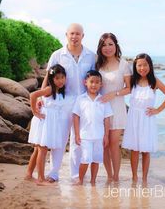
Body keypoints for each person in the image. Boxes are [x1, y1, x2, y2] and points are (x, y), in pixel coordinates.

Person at [41, 23, 95, 182]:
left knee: (78, 140)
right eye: (72, 33)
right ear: (66, 35)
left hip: (84, 103)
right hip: (63, 101)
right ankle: (53, 173)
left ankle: (76, 175)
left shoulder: (91, 56)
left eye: (78, 34)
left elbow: (94, 79)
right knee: (60, 138)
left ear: (83, 36)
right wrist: (41, 97)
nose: (75, 36)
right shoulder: (57, 55)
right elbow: (48, 78)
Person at [122, 53, 165, 186]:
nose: (142, 68)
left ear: (150, 66)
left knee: (145, 150)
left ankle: (144, 179)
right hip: (133, 118)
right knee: (134, 150)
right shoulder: (132, 80)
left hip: (147, 118)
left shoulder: (154, 82)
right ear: (135, 66)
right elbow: (120, 89)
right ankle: (134, 178)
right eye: (139, 65)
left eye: (145, 65)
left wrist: (158, 110)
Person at [96, 33, 132, 182]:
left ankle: (116, 176)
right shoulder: (98, 64)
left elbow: (129, 88)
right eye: (104, 45)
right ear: (100, 48)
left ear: (116, 45)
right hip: (100, 107)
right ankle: (109, 176)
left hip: (117, 107)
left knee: (113, 144)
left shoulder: (123, 64)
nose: (107, 48)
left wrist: (114, 94)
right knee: (103, 143)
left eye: (110, 44)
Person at [26, 64, 67, 185]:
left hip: (50, 122)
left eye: (62, 77)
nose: (60, 81)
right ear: (51, 79)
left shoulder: (60, 91)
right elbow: (33, 95)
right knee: (42, 149)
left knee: (38, 149)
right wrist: (34, 111)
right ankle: (40, 178)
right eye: (57, 78)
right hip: (44, 121)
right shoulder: (50, 89)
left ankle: (29, 174)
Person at [72, 70, 113, 185]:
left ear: (101, 84)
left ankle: (93, 181)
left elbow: (107, 119)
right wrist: (77, 134)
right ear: (85, 82)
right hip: (85, 135)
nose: (94, 85)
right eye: (91, 82)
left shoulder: (103, 100)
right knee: (85, 159)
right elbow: (76, 116)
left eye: (97, 82)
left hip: (99, 136)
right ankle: (80, 180)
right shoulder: (81, 99)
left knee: (96, 159)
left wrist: (106, 135)